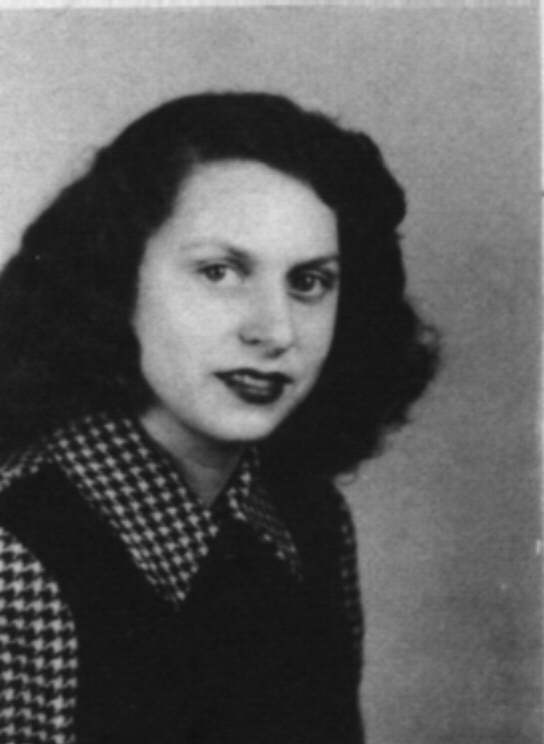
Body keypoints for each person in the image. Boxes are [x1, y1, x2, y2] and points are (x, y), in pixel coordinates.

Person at [0, 92, 437, 744]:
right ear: (113, 277)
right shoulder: (15, 559)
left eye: (309, 282)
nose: (275, 330)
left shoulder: (310, 521)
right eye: (220, 271)